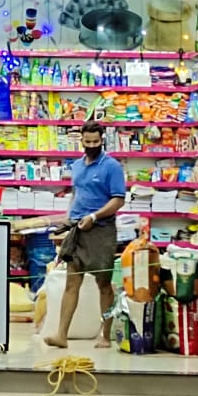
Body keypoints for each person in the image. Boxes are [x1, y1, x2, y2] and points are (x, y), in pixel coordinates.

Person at [45, 120, 126, 349]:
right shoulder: (77, 166)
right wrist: (67, 218)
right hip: (76, 228)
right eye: (87, 141)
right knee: (72, 282)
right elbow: (76, 194)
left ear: (103, 141)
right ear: (81, 140)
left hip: (101, 231)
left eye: (95, 142)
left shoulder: (112, 167)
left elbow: (118, 199)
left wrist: (95, 217)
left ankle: (105, 336)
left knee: (104, 284)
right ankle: (61, 334)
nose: (91, 145)